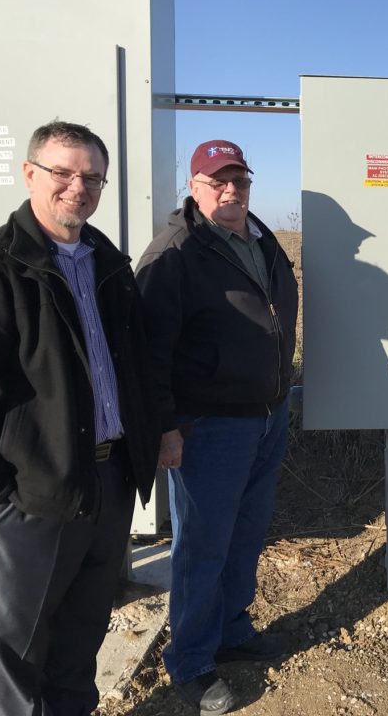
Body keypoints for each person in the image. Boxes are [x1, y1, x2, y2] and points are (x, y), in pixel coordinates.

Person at [0, 121, 160, 716]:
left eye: (93, 177)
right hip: (34, 490)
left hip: (108, 480)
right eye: (64, 173)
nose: (79, 187)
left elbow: (137, 364)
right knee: (17, 650)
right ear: (30, 174)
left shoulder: (107, 263)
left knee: (81, 637)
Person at [135, 140, 298, 715]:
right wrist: (167, 427)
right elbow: (149, 351)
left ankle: (232, 630)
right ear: (195, 186)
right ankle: (193, 660)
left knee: (246, 532)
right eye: (217, 181)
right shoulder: (176, 252)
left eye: (239, 180)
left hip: (265, 415)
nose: (231, 190)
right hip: (209, 424)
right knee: (202, 544)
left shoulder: (260, 237)